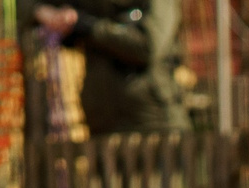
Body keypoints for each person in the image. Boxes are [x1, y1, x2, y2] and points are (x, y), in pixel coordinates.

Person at [34, 0, 184, 136]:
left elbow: (147, 47)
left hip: (152, 119)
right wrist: (44, 12)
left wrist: (90, 27)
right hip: (102, 120)